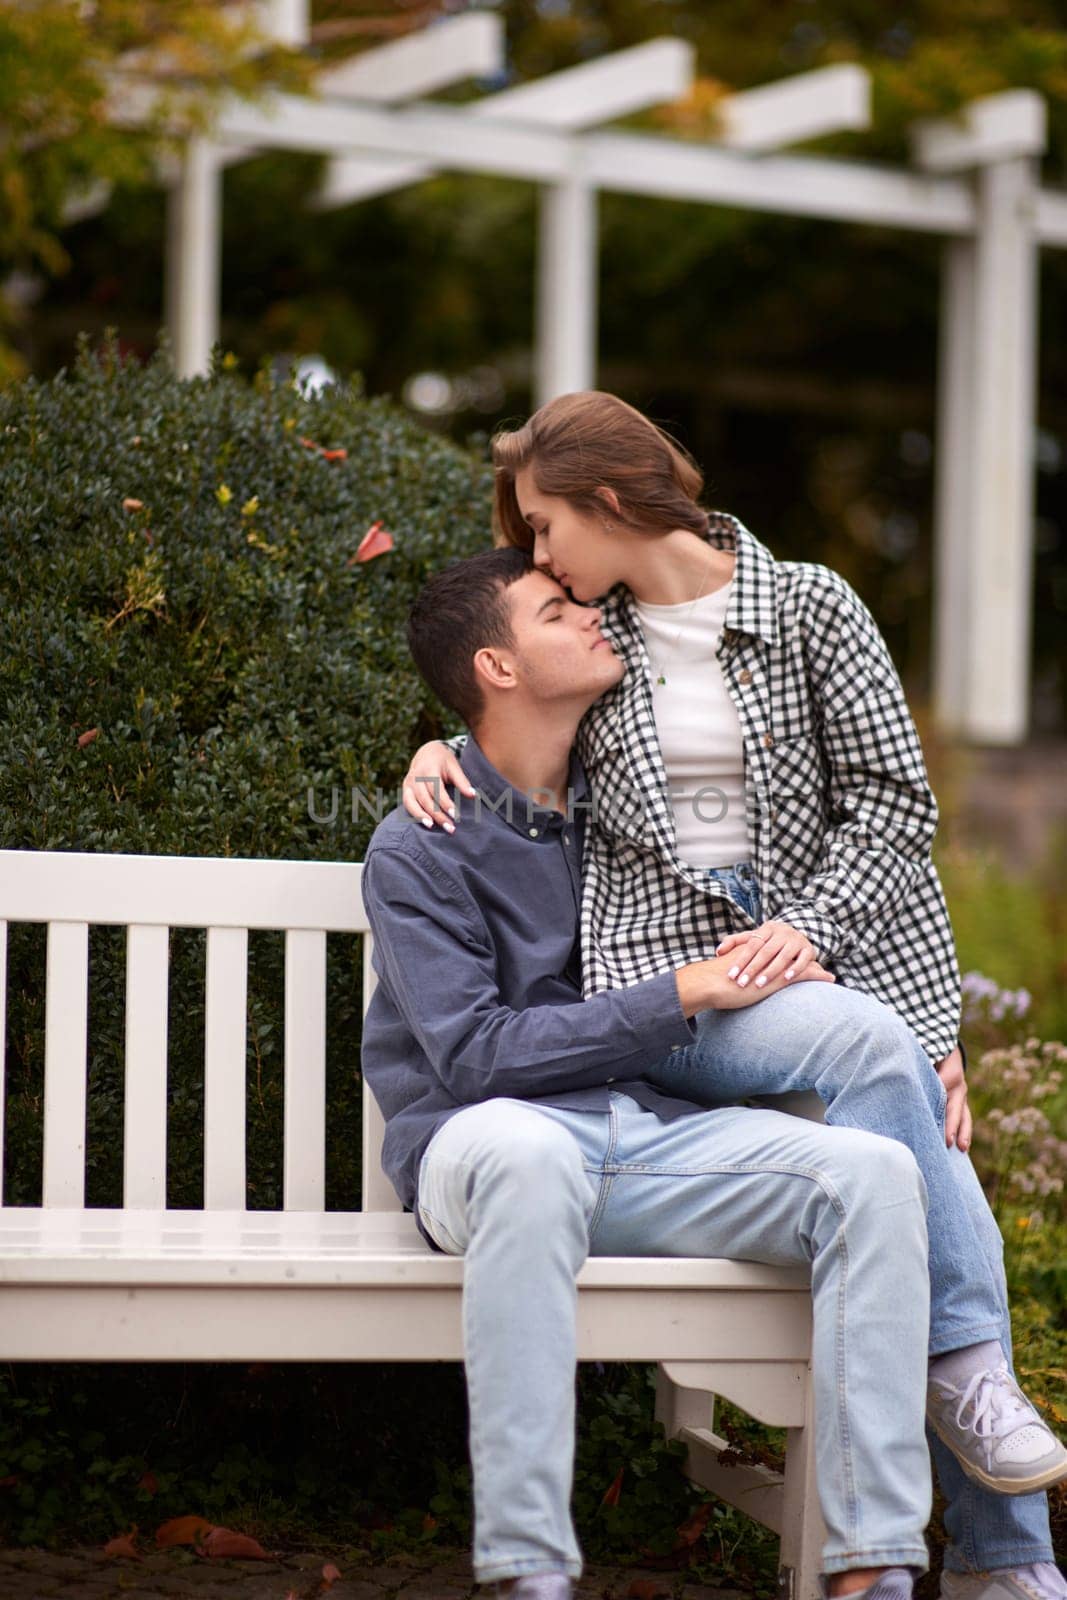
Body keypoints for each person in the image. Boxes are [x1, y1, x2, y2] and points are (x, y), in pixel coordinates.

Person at [400, 394, 1066, 1600]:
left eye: (548, 528)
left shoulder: (810, 607)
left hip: (818, 979)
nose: (541, 557)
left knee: (916, 1147)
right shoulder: (593, 647)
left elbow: (892, 816)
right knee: (871, 1052)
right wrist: (429, 748)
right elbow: (500, 704)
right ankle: (976, 1418)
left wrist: (924, 1025)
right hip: (675, 1007)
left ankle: (998, 1560)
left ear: (610, 498)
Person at [363, 546, 936, 1600]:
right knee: (529, 1150)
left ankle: (872, 1566)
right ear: (495, 665)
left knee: (872, 1177)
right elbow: (478, 1057)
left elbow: (861, 828)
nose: (590, 617)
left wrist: (927, 1033)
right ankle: (527, 1571)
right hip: (482, 1141)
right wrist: (676, 992)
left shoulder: (620, 813)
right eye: (554, 610)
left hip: (643, 1137)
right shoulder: (420, 844)